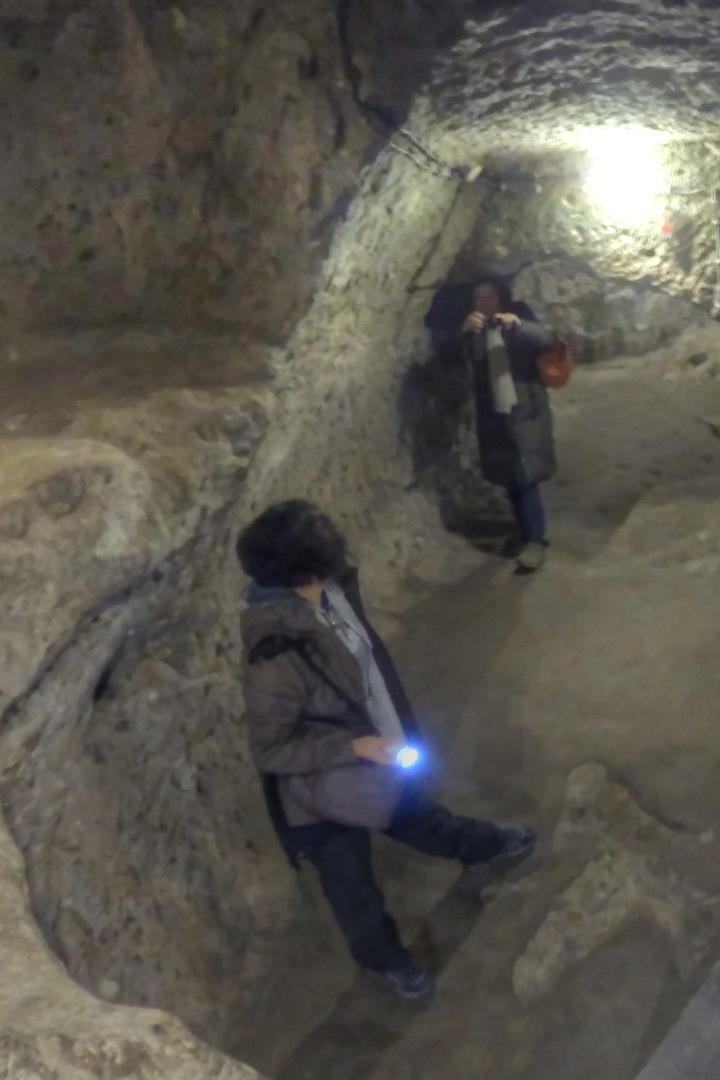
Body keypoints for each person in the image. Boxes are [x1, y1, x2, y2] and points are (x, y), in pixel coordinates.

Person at [236, 499, 535, 1000]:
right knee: (351, 888)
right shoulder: (275, 658)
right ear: (299, 567)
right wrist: (354, 745)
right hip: (323, 791)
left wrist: (389, 732)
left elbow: (366, 670)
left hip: (378, 756)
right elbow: (270, 751)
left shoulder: (328, 595)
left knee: (419, 815)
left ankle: (483, 846)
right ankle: (385, 961)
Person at [460, 277, 558, 573]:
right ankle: (525, 536)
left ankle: (536, 541)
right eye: (478, 298)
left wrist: (518, 324)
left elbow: (549, 340)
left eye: (489, 296)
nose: (485, 303)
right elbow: (455, 360)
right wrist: (463, 333)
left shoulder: (518, 320)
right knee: (510, 478)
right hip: (495, 415)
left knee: (526, 478)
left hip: (524, 412)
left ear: (500, 298)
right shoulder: (475, 330)